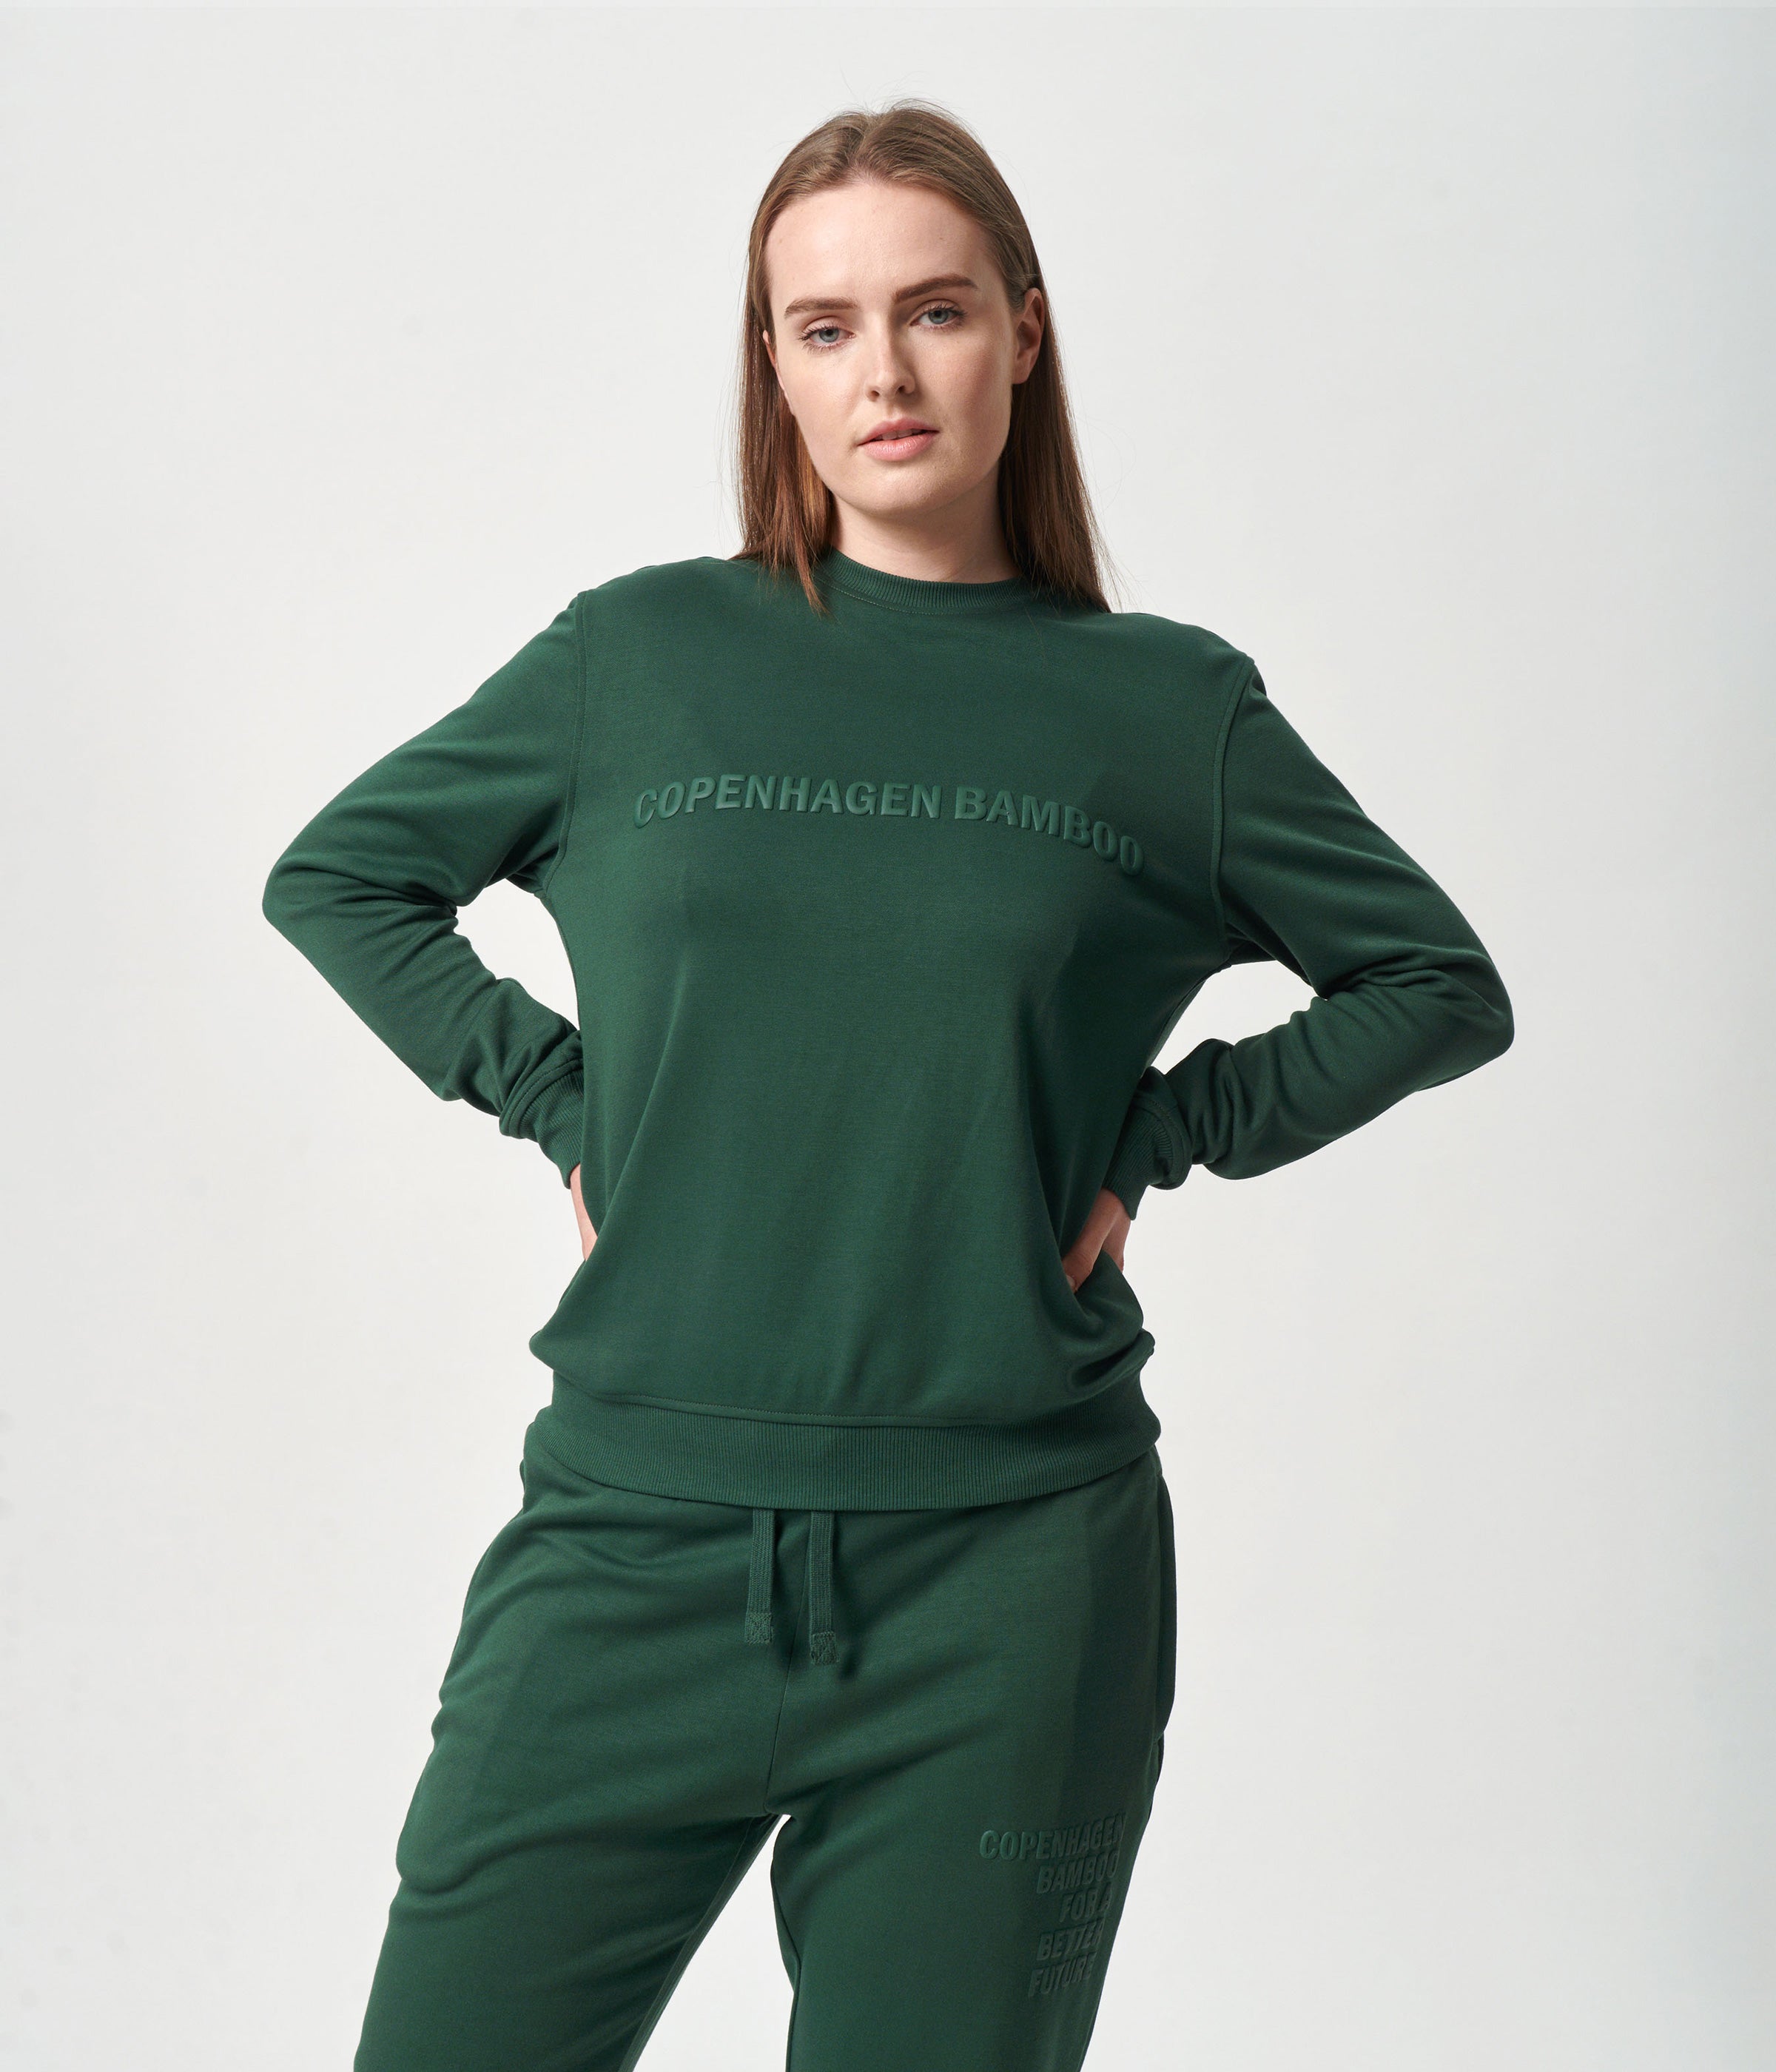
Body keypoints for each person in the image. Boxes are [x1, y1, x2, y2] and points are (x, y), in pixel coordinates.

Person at [261, 98, 1513, 2072]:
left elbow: (1436, 984)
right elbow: (339, 877)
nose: (886, 374)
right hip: (628, 1550)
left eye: (934, 311)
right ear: (772, 363)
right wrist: (567, 1103)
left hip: (1009, 1591)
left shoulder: (1164, 711)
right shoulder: (637, 659)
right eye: (824, 326)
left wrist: (1163, 1134)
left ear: (1023, 328)